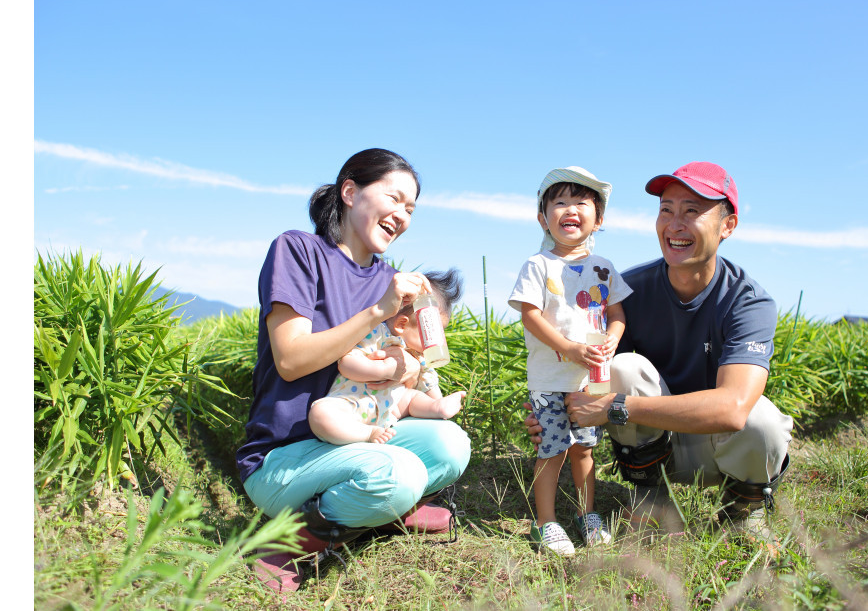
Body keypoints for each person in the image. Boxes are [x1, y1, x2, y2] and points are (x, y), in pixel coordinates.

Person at [236, 148, 471, 593]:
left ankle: (374, 512)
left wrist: (404, 364)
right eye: (395, 198)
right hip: (286, 456)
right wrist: (376, 311)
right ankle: (285, 540)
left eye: (411, 208)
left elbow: (402, 362)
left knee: (451, 444)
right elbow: (290, 361)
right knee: (400, 475)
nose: (402, 215)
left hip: (358, 436)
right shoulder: (299, 250)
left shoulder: (391, 278)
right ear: (349, 191)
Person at [526, 161, 793, 540]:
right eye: (666, 210)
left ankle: (742, 509)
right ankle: (652, 496)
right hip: (655, 447)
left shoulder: (747, 302)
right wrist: (550, 409)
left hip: (721, 448)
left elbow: (733, 408)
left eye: (692, 211)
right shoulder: (627, 290)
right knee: (625, 366)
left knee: (761, 420)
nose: (675, 224)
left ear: (727, 225)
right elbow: (590, 369)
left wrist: (615, 407)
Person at [508, 166, 632, 556]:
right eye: (559, 202)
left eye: (581, 202)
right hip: (549, 376)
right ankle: (545, 522)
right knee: (551, 448)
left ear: (599, 220)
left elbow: (617, 315)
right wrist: (569, 347)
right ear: (544, 218)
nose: (570, 209)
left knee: (585, 448)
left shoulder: (605, 267)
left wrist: (610, 341)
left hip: (593, 376)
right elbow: (530, 315)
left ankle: (587, 513)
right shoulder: (537, 265)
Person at [308, 270, 466, 446]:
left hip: (392, 409)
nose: (440, 339)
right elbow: (346, 364)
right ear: (401, 324)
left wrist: (438, 402)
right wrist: (385, 370)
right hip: (354, 404)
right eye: (433, 331)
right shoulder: (378, 336)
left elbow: (430, 385)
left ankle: (437, 409)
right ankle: (366, 433)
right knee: (320, 413)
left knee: (412, 398)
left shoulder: (422, 358)